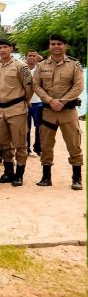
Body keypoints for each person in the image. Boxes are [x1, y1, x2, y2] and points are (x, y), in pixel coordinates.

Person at [32, 34, 84, 190]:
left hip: (68, 111)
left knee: (74, 144)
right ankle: (46, 177)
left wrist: (62, 101)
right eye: (53, 44)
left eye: (59, 44)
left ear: (65, 46)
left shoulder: (74, 65)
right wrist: (50, 101)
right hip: (48, 111)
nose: (55, 46)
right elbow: (36, 85)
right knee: (46, 145)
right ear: (49, 46)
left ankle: (77, 178)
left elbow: (79, 86)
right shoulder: (41, 65)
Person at [0, 39, 33, 186]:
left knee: (20, 144)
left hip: (16, 109)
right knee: (4, 143)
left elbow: (29, 87)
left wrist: (23, 102)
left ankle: (19, 175)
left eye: (5, 47)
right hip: (0, 110)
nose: (2, 50)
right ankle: (8, 172)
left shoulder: (21, 66)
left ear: (11, 48)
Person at [25, 49, 43, 156]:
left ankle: (38, 147)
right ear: (26, 57)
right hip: (26, 102)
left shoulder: (40, 69)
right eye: (30, 55)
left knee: (39, 126)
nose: (32, 57)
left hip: (38, 102)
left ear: (37, 57)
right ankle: (26, 148)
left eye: (34, 56)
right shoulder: (22, 69)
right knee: (26, 127)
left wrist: (41, 59)